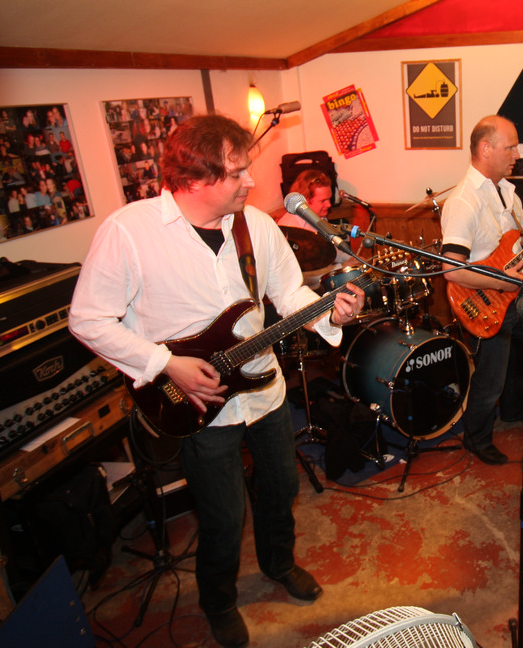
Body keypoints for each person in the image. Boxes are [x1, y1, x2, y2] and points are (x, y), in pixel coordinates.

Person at [69, 114, 365, 648]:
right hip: (196, 400)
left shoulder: (257, 226)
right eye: (236, 172)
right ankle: (219, 600)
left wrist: (332, 312)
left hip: (264, 389)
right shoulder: (129, 232)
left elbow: (289, 294)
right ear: (194, 179)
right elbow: (88, 320)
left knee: (282, 488)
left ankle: (279, 563)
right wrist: (164, 363)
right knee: (223, 513)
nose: (250, 180)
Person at [440, 115, 523, 465]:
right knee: (490, 378)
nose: (517, 155)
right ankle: (477, 438)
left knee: (518, 361)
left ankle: (515, 410)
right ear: (485, 148)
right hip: (485, 302)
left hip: (514, 297)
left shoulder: (505, 190)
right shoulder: (464, 200)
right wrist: (503, 282)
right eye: (510, 148)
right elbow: (452, 269)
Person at [277, 168, 353, 286]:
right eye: (323, 201)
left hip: (324, 283)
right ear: (305, 200)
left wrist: (352, 259)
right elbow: (302, 277)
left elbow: (331, 251)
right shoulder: (289, 229)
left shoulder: (319, 218)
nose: (329, 204)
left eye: (329, 199)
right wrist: (341, 267)